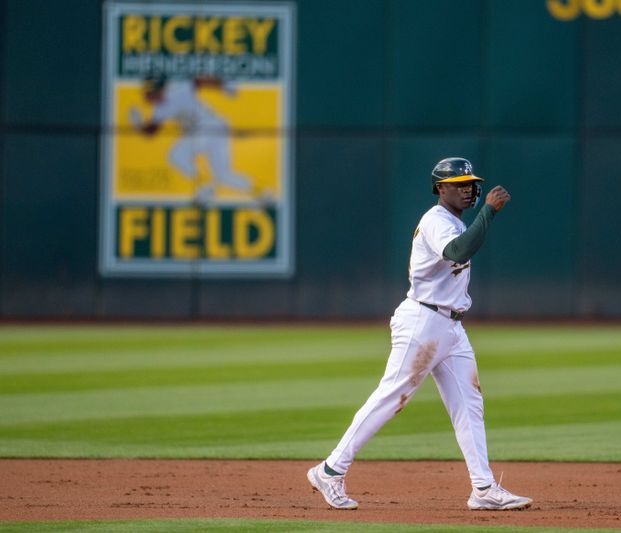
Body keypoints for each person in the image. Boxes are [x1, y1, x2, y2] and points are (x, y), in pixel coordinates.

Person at [307, 157, 532, 511]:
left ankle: (483, 488)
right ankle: (330, 470)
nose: (469, 188)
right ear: (440, 189)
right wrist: (488, 212)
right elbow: (458, 251)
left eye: (471, 182)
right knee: (391, 398)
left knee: (469, 405)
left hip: (452, 326)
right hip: (423, 321)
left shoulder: (454, 221)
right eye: (459, 183)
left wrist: (482, 216)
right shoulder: (436, 221)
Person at [129, 75, 253, 202]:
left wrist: (223, 85)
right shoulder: (160, 109)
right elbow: (151, 131)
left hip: (208, 126)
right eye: (145, 92)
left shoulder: (178, 91)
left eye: (148, 92)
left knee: (177, 155)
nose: (146, 96)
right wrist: (138, 125)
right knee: (224, 176)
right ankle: (260, 192)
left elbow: (200, 81)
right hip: (216, 129)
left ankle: (206, 187)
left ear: (159, 90)